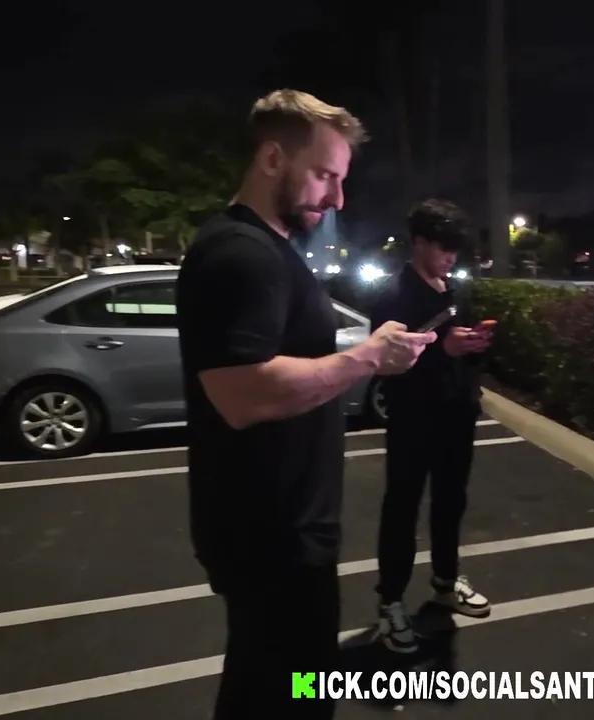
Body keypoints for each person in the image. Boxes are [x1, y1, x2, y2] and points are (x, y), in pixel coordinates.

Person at [175, 89, 437, 720]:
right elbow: (243, 392)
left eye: (341, 180)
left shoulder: (263, 249)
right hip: (272, 536)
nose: (337, 198)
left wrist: (367, 350)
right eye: (325, 176)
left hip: (277, 528)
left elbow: (277, 359)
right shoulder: (241, 255)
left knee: (262, 689)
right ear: (272, 159)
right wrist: (366, 358)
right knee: (292, 695)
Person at [369, 199, 493, 654]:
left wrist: (474, 346)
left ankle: (445, 580)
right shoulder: (393, 295)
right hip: (413, 417)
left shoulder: (454, 290)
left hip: (457, 414)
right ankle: (391, 600)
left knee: (450, 501)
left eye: (456, 250)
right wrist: (444, 350)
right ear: (418, 242)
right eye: (443, 248)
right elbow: (387, 363)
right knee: (402, 506)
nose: (451, 258)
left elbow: (461, 351)